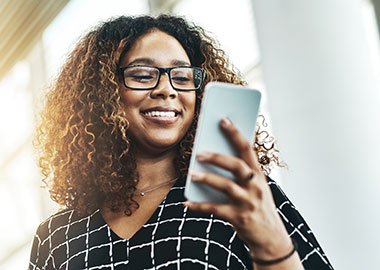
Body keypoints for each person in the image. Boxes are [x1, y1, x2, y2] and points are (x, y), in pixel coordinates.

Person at [29, 15, 333, 270]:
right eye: (143, 75)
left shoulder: (240, 195)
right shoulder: (56, 237)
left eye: (183, 77)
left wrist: (273, 246)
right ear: (104, 92)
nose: (167, 89)